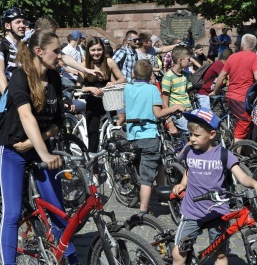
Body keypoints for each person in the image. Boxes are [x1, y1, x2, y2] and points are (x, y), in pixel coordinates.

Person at [0, 29, 79, 265]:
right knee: (12, 214)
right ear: (39, 51)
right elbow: (26, 116)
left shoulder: (54, 78)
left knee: (57, 210)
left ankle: (70, 261)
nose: (60, 55)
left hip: (39, 148)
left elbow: (58, 122)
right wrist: (43, 150)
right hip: (14, 149)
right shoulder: (19, 77)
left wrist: (39, 141)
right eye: (56, 51)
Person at [171, 108, 257, 265]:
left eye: (196, 135)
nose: (192, 139)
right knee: (178, 254)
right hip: (192, 211)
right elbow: (189, 169)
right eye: (190, 135)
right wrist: (183, 183)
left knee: (220, 254)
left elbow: (242, 176)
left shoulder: (223, 154)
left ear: (211, 135)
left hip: (218, 212)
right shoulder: (190, 150)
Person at [125, 59, 186, 213]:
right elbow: (158, 113)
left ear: (133, 73)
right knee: (147, 178)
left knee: (158, 164)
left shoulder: (128, 88)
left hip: (133, 135)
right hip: (149, 135)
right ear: (151, 75)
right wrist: (175, 108)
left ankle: (163, 195)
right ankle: (143, 211)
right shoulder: (152, 89)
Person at [79, 37, 126, 185]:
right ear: (88, 51)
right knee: (93, 138)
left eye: (99, 49)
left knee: (112, 137)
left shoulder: (109, 62)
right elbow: (79, 86)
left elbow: (122, 79)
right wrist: (90, 88)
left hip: (109, 102)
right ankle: (94, 172)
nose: (96, 53)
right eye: (93, 50)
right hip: (92, 104)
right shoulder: (84, 65)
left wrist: (113, 82)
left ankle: (114, 167)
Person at [212, 34, 257, 143]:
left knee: (241, 123)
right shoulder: (255, 57)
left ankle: (245, 149)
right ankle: (235, 155)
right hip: (243, 98)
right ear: (254, 46)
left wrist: (215, 91)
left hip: (230, 96)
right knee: (243, 124)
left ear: (242, 45)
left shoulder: (232, 57)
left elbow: (221, 76)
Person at [162, 46, 192, 135]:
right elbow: (164, 102)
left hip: (188, 111)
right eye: (188, 59)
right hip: (177, 114)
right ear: (180, 60)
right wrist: (170, 123)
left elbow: (189, 91)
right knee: (192, 132)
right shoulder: (168, 77)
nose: (190, 62)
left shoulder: (185, 75)